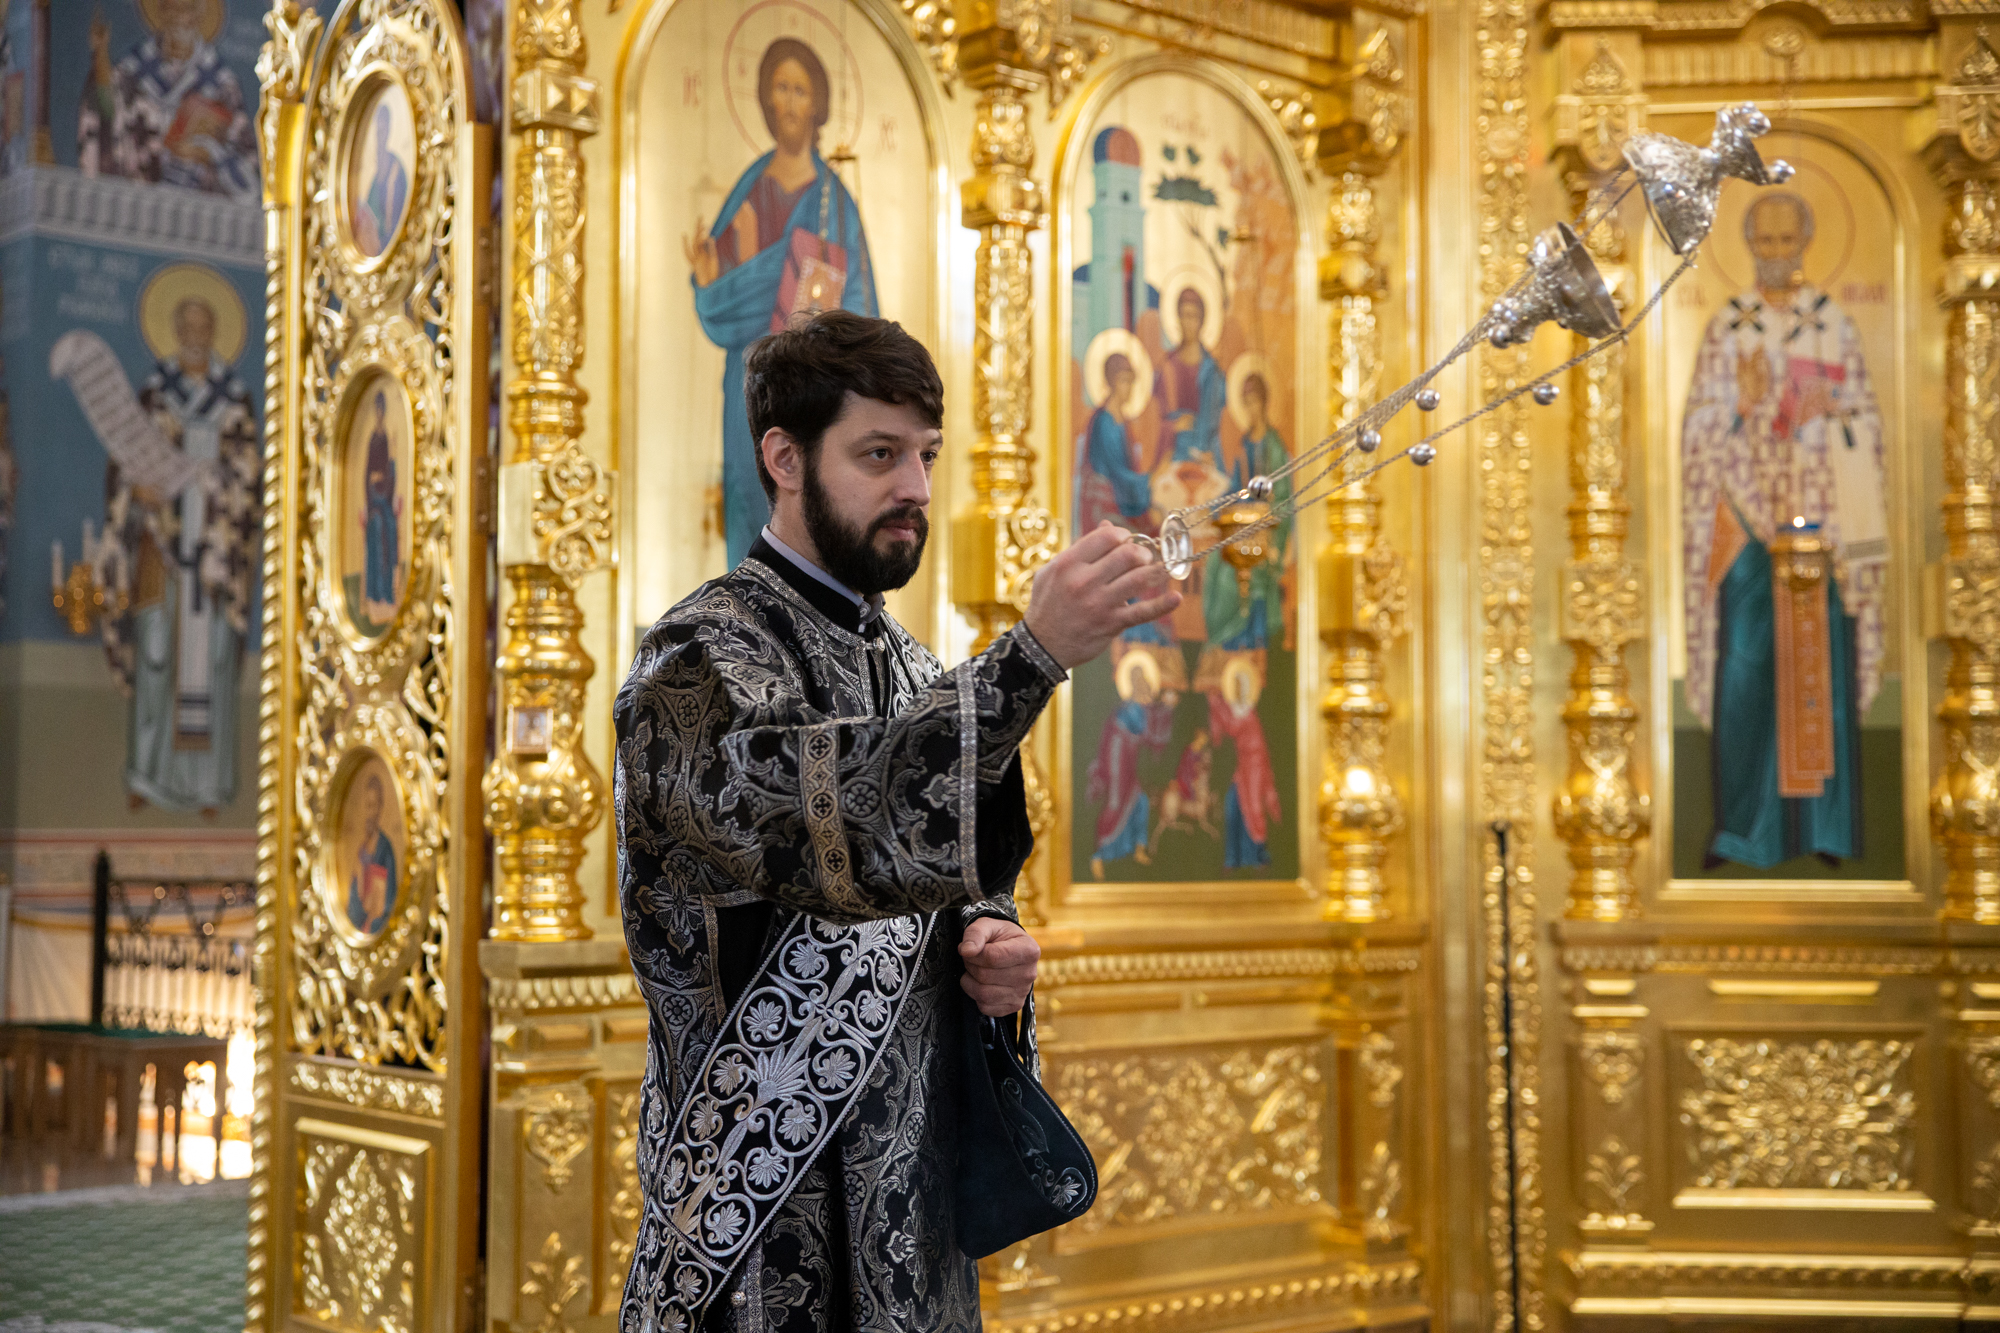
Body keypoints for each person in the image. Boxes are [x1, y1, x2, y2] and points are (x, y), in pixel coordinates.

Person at [614, 311, 1177, 1332]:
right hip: (753, 1227)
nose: (915, 486)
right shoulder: (698, 659)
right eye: (878, 454)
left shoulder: (917, 669)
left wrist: (991, 950)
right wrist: (1031, 656)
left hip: (915, 1232)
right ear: (785, 458)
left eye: (925, 455)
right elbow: (819, 831)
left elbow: (957, 891)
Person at [1680, 192, 1887, 868]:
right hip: (1745, 523)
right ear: (1749, 246)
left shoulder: (1833, 324)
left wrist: (1830, 412)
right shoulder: (1728, 327)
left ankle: (1822, 831)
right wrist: (1739, 405)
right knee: (1745, 672)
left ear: (1804, 243)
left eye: (1785, 241)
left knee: (1818, 671)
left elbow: (1867, 421)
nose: (1775, 254)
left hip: (1821, 525)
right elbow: (1697, 431)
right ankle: (1745, 830)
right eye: (1763, 242)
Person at [686, 38, 877, 567]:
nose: (790, 103)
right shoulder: (749, 189)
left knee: (810, 507)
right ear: (767, 100)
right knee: (748, 496)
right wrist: (716, 278)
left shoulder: (835, 203)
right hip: (747, 383)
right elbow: (717, 301)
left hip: (815, 392)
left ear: (817, 105)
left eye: (800, 90)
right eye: (781, 89)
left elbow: (859, 311)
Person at [95, 292, 258, 813]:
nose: (194, 335)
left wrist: (210, 484)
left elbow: (250, 478)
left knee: (214, 659)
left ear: (214, 333)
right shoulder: (155, 395)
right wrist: (138, 489)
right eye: (185, 326)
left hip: (213, 556)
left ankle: (209, 785)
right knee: (156, 650)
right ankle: (147, 775)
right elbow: (124, 463)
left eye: (203, 326)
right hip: (161, 547)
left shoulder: (234, 400)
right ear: (174, 331)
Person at [78, 0, 258, 201]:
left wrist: (208, 153)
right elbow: (108, 114)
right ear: (160, 13)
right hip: (139, 196)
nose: (178, 18)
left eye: (186, 9)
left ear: (199, 16)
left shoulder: (222, 84)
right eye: (171, 9)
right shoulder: (133, 70)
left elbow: (244, 155)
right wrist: (100, 60)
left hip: (196, 202)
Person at [1078, 350, 1155, 534]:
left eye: (1130, 381)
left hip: (1120, 495)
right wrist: (1148, 481)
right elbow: (1116, 471)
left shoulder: (1122, 421)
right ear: (1111, 382)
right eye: (1123, 381)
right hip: (1106, 504)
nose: (1128, 388)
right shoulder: (1105, 421)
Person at [1157, 286, 1224, 470]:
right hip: (1174, 455)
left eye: (1193, 317)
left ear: (1202, 321)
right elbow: (1155, 419)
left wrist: (1210, 451)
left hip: (1206, 456)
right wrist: (1173, 426)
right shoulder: (1167, 367)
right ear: (1178, 319)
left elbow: (1219, 420)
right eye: (1184, 316)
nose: (1188, 323)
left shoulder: (1213, 370)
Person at [361, 390, 400, 622]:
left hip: (384, 496)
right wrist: (373, 482)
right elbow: (368, 471)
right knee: (376, 534)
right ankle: (375, 593)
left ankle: (387, 591)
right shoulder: (373, 440)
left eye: (381, 409)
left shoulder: (385, 438)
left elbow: (387, 469)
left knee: (389, 532)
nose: (379, 414)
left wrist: (384, 476)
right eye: (377, 409)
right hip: (374, 500)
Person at [354, 102, 410, 256]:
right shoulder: (374, 175)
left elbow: (395, 227)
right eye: (377, 131)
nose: (380, 137)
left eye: (383, 130)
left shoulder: (396, 172)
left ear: (389, 131)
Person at [345, 772, 398, 935]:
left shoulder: (385, 849)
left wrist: (374, 924)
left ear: (380, 808)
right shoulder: (362, 850)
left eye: (373, 805)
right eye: (367, 806)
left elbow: (389, 903)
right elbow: (353, 900)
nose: (369, 813)